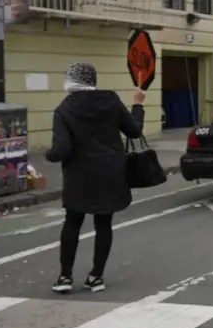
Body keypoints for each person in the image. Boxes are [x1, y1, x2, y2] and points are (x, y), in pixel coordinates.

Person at [45, 61, 146, 294]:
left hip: (79, 175)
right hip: (110, 171)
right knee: (103, 223)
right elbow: (133, 130)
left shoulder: (64, 109)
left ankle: (64, 277)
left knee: (73, 222)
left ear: (70, 81)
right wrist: (137, 105)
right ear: (92, 80)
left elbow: (61, 150)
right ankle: (96, 277)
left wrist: (48, 156)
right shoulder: (110, 100)